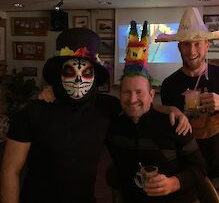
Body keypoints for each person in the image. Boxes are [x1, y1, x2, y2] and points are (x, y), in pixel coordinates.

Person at [0, 28, 189, 203]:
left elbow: (136, 106)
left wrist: (170, 109)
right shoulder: (33, 112)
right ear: (59, 74)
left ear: (95, 77)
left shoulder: (106, 106)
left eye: (87, 72)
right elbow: (10, 170)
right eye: (70, 71)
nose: (78, 79)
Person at [156, 7, 219, 203]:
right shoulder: (170, 85)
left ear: (207, 45)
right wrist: (166, 109)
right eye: (186, 44)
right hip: (190, 175)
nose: (192, 51)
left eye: (197, 43)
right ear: (179, 46)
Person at [106, 23, 206, 203]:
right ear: (119, 95)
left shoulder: (174, 123)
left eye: (139, 92)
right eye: (126, 92)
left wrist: (174, 183)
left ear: (152, 95)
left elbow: (199, 168)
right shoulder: (114, 127)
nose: (132, 99)